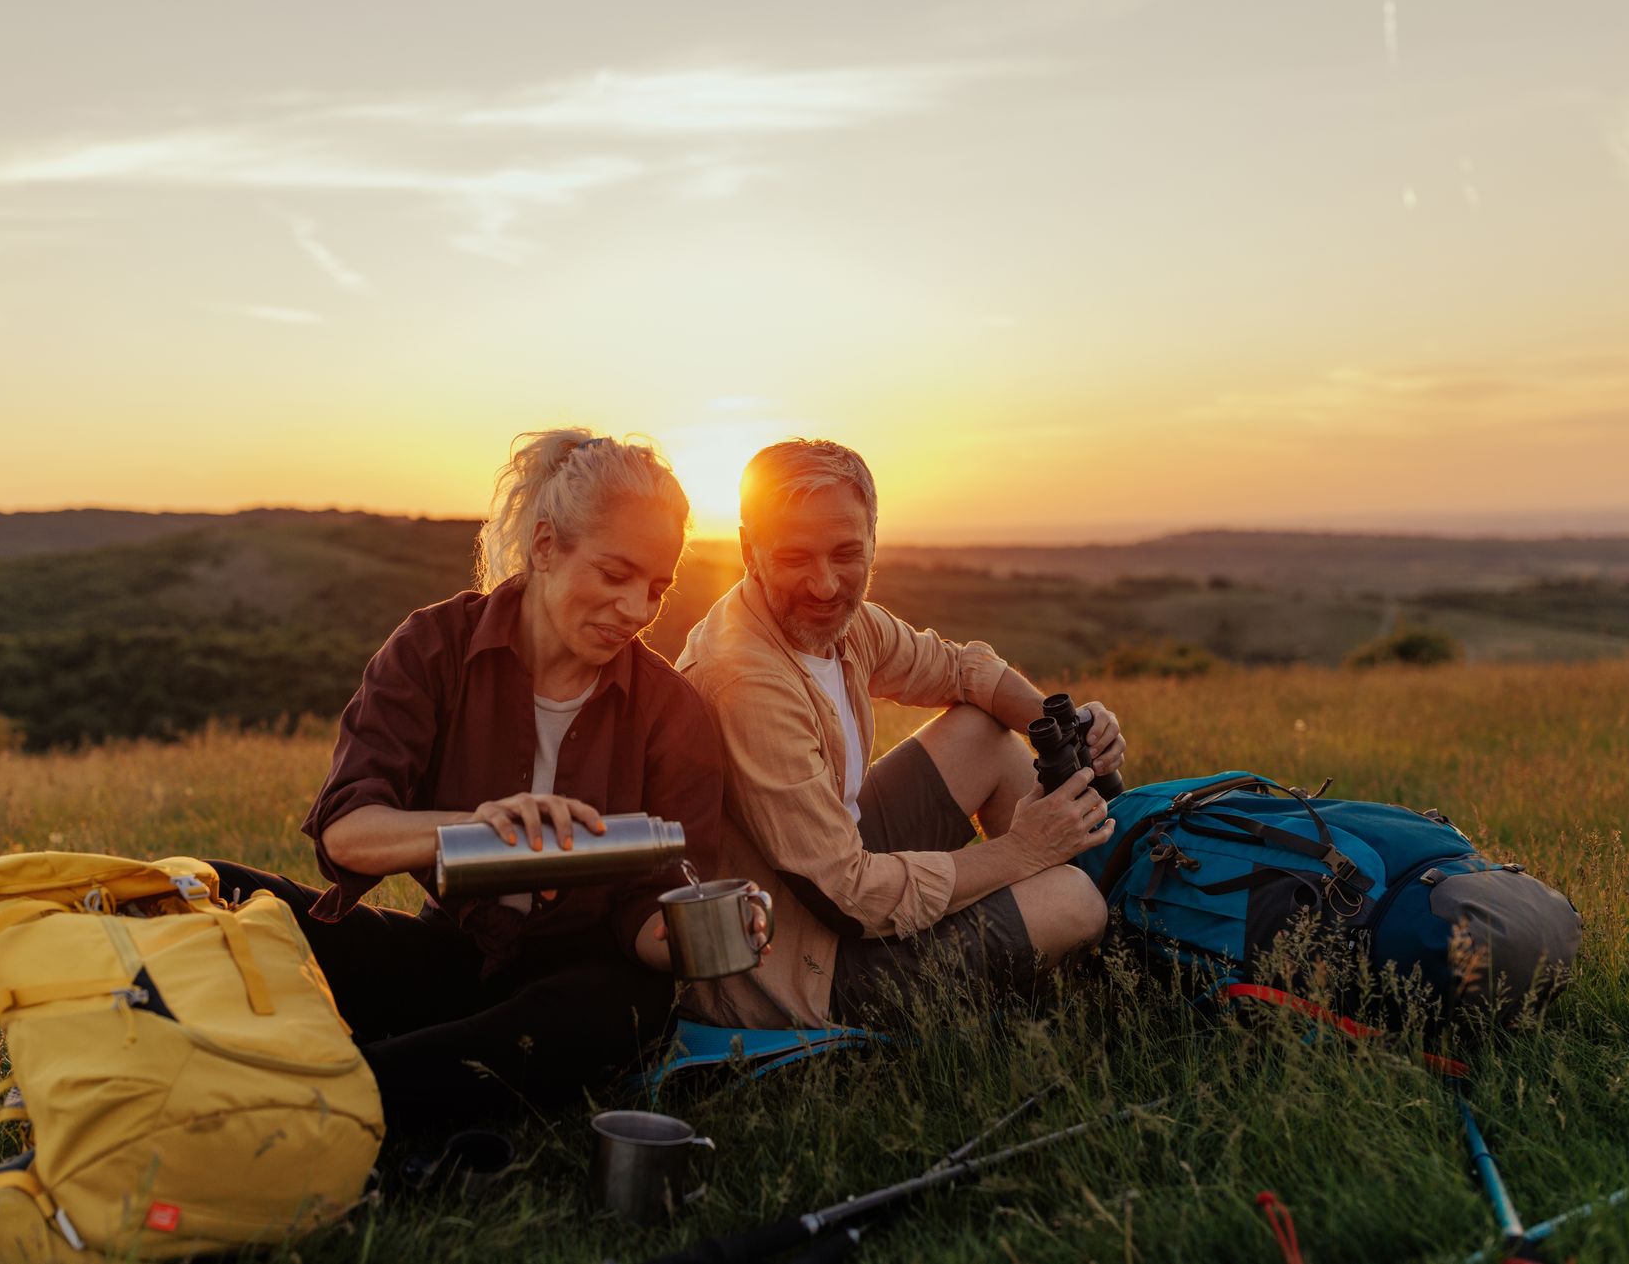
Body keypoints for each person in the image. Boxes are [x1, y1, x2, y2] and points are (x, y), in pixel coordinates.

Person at [210, 429, 750, 1138]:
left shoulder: (670, 710)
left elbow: (654, 904)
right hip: (450, 955)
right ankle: (415, 1079)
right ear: (548, 545)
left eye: (656, 587)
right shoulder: (434, 647)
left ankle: (341, 1095)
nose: (637, 608)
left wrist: (693, 938)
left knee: (631, 1004)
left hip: (572, 984)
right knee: (217, 889)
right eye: (616, 575)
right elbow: (348, 828)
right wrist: (477, 824)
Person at [677, 439, 1127, 1030]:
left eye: (846, 553)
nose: (824, 584)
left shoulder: (846, 623)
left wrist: (1066, 729)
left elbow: (962, 671)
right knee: (1070, 901)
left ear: (871, 541)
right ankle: (1096, 954)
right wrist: (1021, 852)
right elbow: (848, 895)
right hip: (795, 965)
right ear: (747, 549)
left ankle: (1114, 929)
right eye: (794, 558)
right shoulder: (744, 681)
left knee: (980, 733)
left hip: (833, 871)